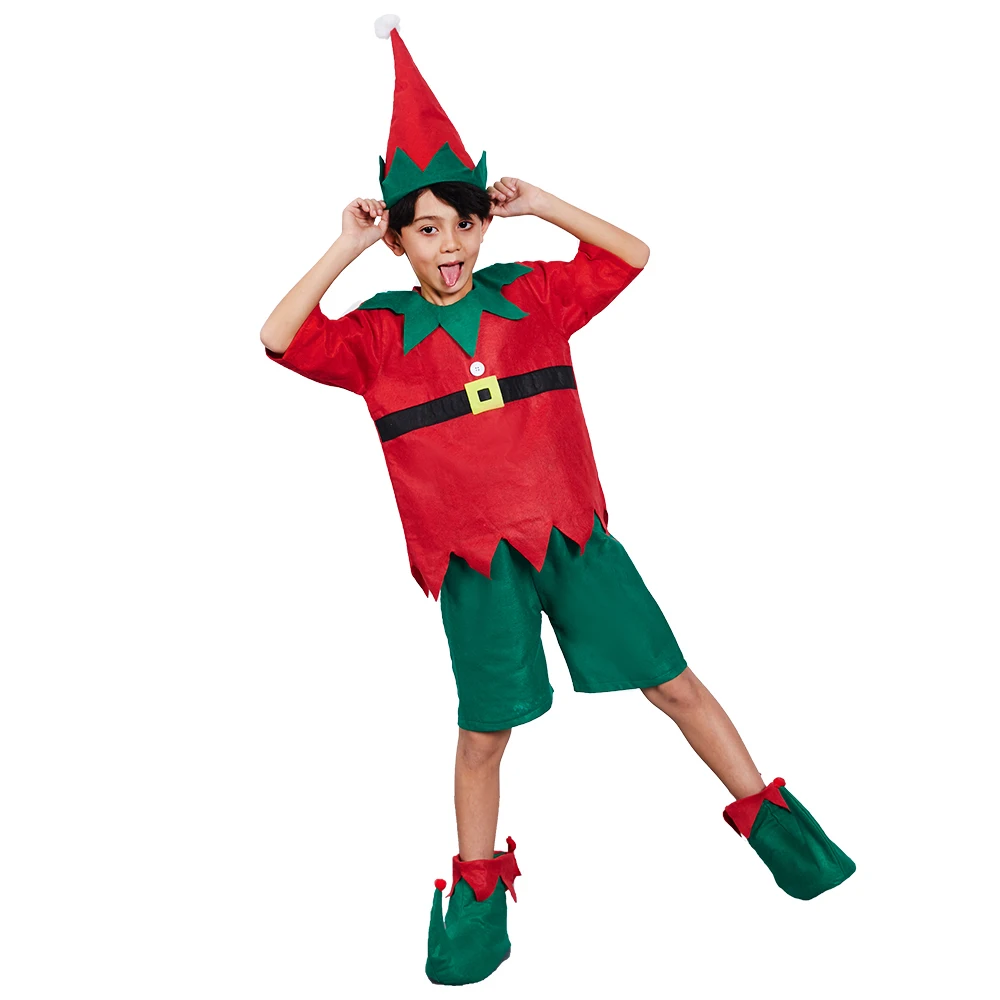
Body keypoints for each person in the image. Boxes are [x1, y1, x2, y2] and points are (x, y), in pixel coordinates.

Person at [260, 15, 855, 987]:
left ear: (483, 226)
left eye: (463, 223)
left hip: (573, 539)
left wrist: (542, 203)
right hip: (472, 561)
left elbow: (631, 255)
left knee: (674, 682)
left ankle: (783, 836)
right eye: (425, 229)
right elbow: (279, 337)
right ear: (399, 240)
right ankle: (477, 903)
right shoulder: (375, 337)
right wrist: (343, 245)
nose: (449, 245)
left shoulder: (530, 296)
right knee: (483, 734)